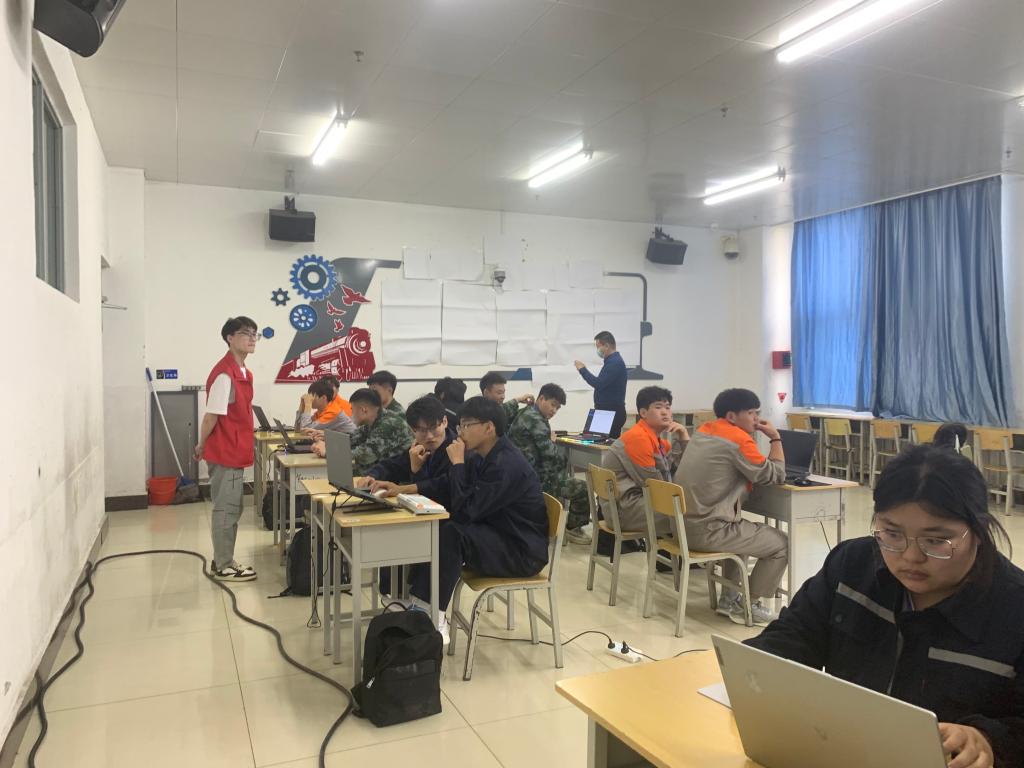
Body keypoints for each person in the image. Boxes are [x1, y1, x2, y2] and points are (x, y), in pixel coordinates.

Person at [747, 445, 1023, 768]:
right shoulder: (852, 565)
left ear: (979, 532)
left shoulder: (1014, 609)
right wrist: (753, 672)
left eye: (936, 541)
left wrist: (988, 739)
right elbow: (793, 637)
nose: (911, 557)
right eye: (892, 534)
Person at [405, 397, 549, 643]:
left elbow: (466, 511)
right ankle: (420, 603)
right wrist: (407, 488)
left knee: (452, 532)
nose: (460, 432)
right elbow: (450, 488)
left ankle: (433, 614)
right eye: (460, 425)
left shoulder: (506, 464)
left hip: (521, 551)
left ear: (488, 427)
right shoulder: (486, 454)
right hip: (499, 534)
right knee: (438, 526)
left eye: (466, 425)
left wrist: (457, 464)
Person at [674, 388, 786, 626]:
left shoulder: (703, 431)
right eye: (751, 413)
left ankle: (729, 600)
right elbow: (775, 475)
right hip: (708, 531)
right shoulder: (738, 440)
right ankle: (749, 605)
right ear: (732, 416)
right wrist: (775, 439)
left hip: (681, 527)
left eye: (757, 413)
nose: (756, 419)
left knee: (741, 529)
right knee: (782, 544)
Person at [194, 316, 259, 582]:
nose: (252, 338)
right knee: (227, 508)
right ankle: (223, 564)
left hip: (235, 449)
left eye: (255, 333)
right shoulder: (225, 374)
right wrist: (201, 444)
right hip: (225, 452)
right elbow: (211, 416)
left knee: (233, 507)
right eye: (245, 333)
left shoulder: (243, 372)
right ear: (230, 338)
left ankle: (224, 559)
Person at [508, 383, 593, 545]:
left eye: (557, 408)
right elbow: (551, 456)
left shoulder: (525, 412)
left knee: (564, 474)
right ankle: (573, 529)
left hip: (521, 477)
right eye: (553, 405)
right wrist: (552, 442)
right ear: (541, 398)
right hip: (537, 481)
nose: (554, 411)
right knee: (583, 487)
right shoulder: (537, 421)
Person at [601, 386, 689, 537]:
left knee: (693, 509)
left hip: (632, 504)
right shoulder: (638, 438)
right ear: (643, 413)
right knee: (694, 515)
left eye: (668, 407)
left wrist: (684, 435)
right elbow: (658, 488)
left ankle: (669, 551)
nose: (665, 412)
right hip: (625, 511)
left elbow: (681, 470)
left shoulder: (656, 440)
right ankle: (672, 551)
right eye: (658, 407)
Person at [361, 395, 456, 509]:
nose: (429, 436)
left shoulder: (457, 448)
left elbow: (442, 487)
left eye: (433, 427)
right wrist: (371, 477)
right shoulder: (418, 446)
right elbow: (392, 465)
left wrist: (414, 474)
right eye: (422, 430)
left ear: (445, 422)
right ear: (412, 429)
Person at [312, 388, 411, 475]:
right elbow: (351, 438)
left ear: (363, 410)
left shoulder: (388, 424)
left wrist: (328, 452)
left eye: (352, 409)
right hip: (380, 473)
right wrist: (327, 443)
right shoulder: (372, 421)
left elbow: (365, 455)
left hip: (398, 481)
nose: (351, 414)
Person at [574, 331, 628, 438]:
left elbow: (598, 383)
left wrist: (582, 369)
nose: (597, 350)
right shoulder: (612, 361)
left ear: (606, 346)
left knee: (598, 444)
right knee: (594, 441)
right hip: (606, 412)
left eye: (598, 347)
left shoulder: (615, 363)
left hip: (610, 413)